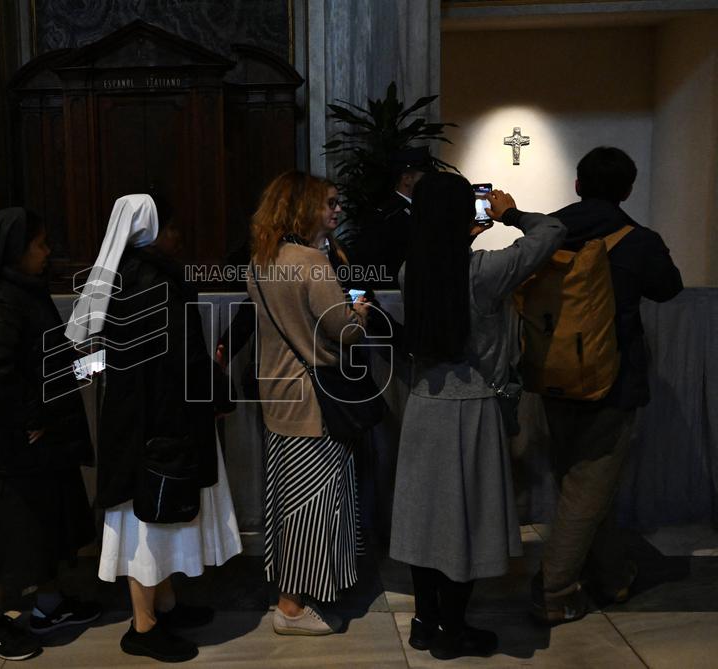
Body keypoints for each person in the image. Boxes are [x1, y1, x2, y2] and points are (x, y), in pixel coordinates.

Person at [389, 172, 565, 660]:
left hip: (425, 405)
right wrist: (509, 215)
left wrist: (462, 237)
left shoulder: (411, 271)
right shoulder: (488, 271)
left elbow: (443, 269)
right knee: (463, 522)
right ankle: (453, 630)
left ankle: (425, 624)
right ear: (464, 215)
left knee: (427, 522)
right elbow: (551, 233)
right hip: (473, 408)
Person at [66, 194, 242, 663]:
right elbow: (181, 358)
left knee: (148, 515)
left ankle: (163, 605)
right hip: (163, 420)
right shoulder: (157, 279)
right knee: (149, 523)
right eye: (173, 226)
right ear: (152, 228)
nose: (179, 235)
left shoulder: (121, 276)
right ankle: (143, 626)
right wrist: (219, 396)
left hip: (133, 419)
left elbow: (95, 360)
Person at [0, 208, 100, 661]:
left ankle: (49, 606)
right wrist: (33, 417)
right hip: (10, 448)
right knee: (4, 537)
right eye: (41, 244)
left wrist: (92, 362)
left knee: (42, 526)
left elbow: (39, 357)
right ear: (16, 250)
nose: (48, 253)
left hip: (31, 444)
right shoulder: (1, 300)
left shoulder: (20, 292)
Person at [533, 147, 683, 623]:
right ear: (628, 190)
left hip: (552, 373)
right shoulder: (639, 240)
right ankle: (554, 594)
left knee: (580, 485)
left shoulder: (547, 230)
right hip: (612, 381)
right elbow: (668, 288)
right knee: (589, 487)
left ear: (577, 184)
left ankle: (612, 576)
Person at [245, 171, 372, 635]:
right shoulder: (313, 264)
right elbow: (345, 331)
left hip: (278, 399)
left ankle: (290, 594)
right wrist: (360, 313)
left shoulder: (261, 260)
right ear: (303, 207)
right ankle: (292, 608)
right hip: (315, 406)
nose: (337, 211)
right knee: (313, 507)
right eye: (329, 204)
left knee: (287, 504)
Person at [339, 146, 434, 290]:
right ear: (407, 179)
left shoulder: (412, 210)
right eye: (424, 178)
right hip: (395, 293)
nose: (429, 183)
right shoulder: (391, 215)